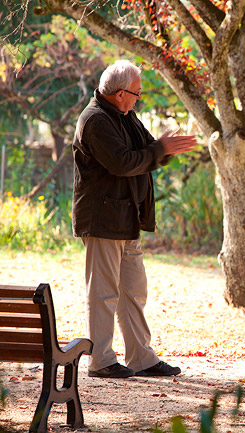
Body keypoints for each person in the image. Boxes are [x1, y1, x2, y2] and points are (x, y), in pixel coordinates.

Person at [72, 60, 197, 378]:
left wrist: (164, 150)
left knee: (134, 290)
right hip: (102, 219)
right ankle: (101, 360)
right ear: (119, 93)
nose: (139, 98)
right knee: (103, 292)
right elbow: (123, 163)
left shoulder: (124, 115)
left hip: (127, 218)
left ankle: (141, 357)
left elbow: (147, 149)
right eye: (137, 93)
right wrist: (159, 149)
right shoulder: (95, 120)